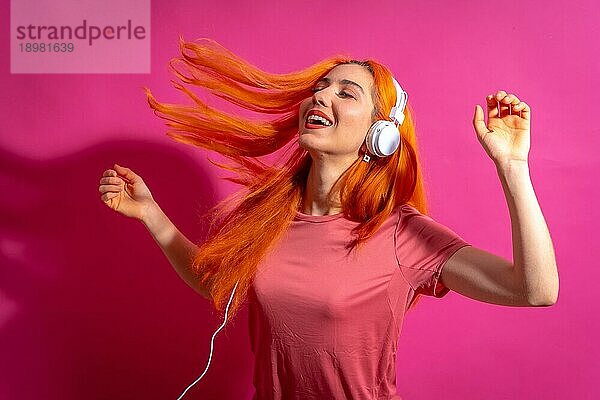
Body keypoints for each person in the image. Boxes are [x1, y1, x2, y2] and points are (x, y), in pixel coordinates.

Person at [98, 37, 559, 399]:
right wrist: (151, 214)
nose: (320, 97)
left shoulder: (401, 233)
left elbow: (534, 290)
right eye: (318, 89)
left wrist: (512, 167)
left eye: (345, 92)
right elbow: (220, 285)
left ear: (381, 134)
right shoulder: (268, 219)